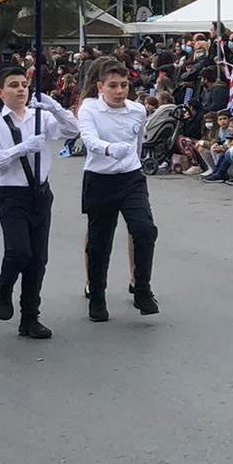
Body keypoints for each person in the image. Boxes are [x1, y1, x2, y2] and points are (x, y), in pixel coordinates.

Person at [0, 67, 73, 338]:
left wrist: (53, 106)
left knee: (38, 259)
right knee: (19, 251)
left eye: (23, 84)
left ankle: (30, 317)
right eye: (13, 85)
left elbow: (71, 130)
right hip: (11, 194)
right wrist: (22, 148)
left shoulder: (38, 116)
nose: (20, 89)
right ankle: (4, 286)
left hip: (40, 194)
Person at [77, 59, 160, 321]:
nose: (119, 91)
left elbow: (137, 143)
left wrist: (131, 163)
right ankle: (98, 296)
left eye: (124, 85)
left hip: (130, 177)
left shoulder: (137, 110)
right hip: (100, 178)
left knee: (144, 229)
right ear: (100, 86)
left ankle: (142, 289)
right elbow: (88, 139)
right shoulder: (89, 108)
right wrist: (109, 149)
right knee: (100, 241)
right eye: (113, 85)